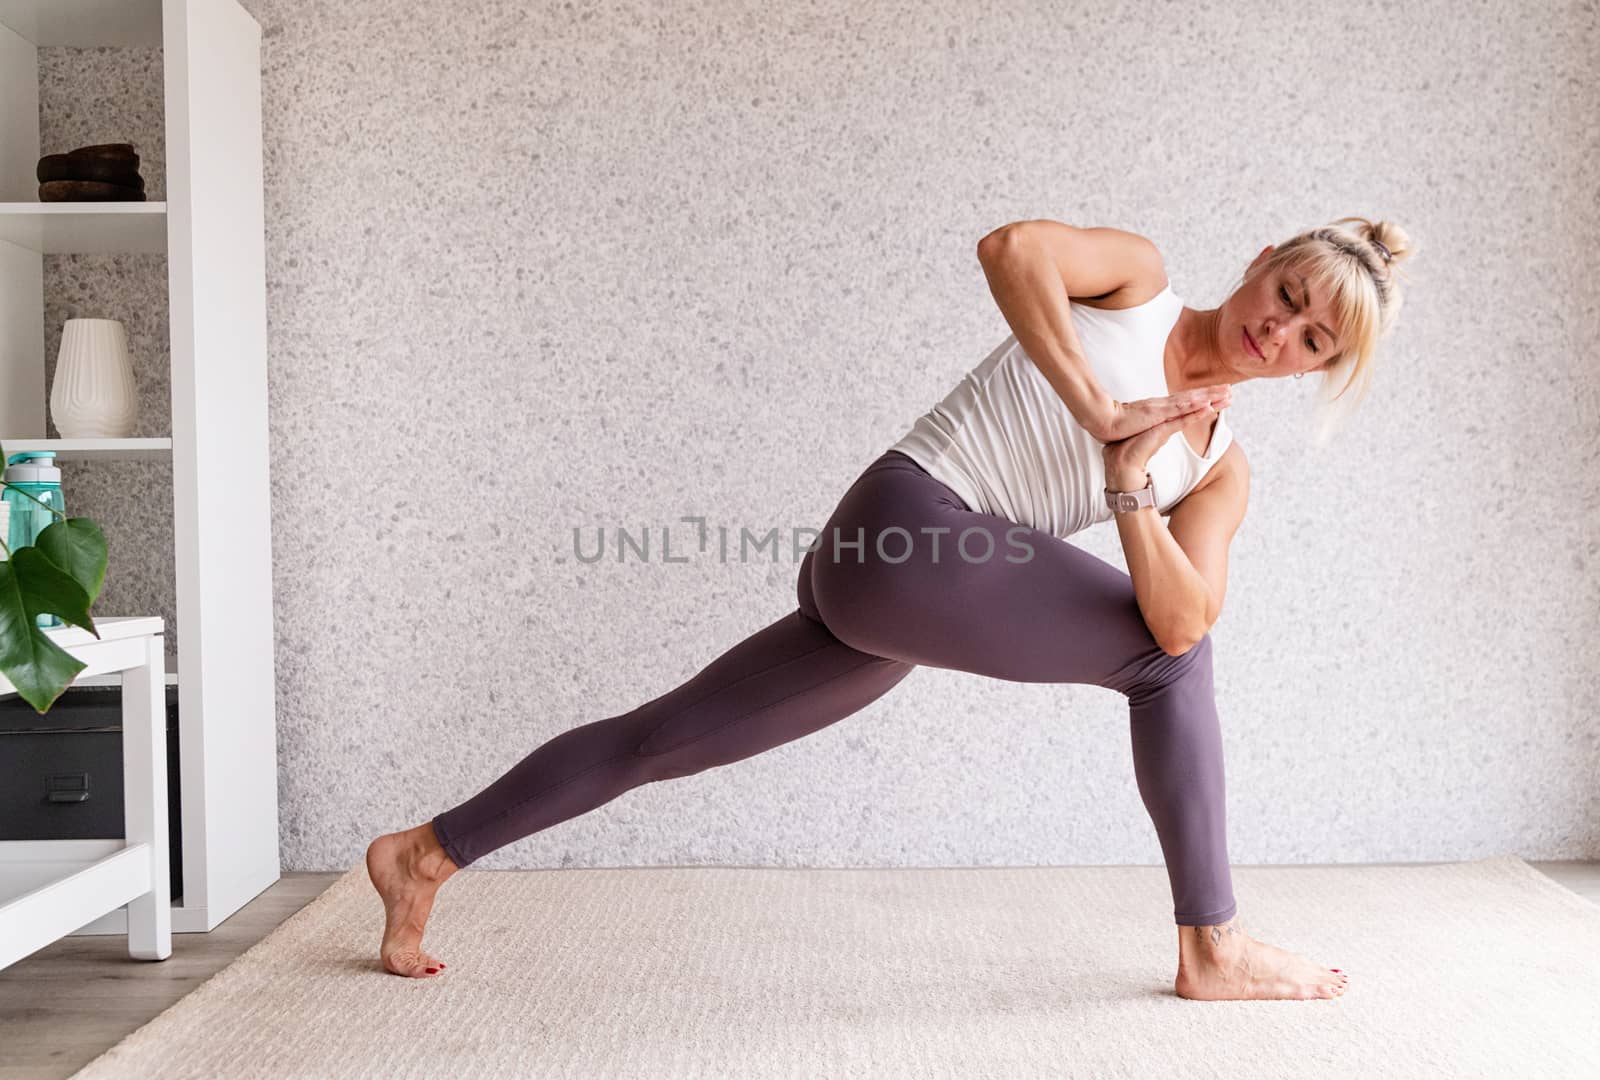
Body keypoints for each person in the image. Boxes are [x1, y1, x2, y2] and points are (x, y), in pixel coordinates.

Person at [365, 214, 1413, 1000]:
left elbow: (1182, 618)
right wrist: (1099, 411)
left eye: (1314, 340)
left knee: (662, 739)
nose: (1278, 331)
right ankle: (1212, 946)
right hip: (910, 522)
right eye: (1285, 294)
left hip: (885, 598)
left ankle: (427, 851)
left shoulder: (1218, 472)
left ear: (1320, 370)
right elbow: (1011, 250)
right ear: (1261, 260)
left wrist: (1129, 483)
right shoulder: (1134, 283)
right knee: (1171, 668)